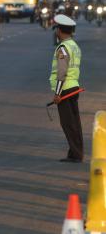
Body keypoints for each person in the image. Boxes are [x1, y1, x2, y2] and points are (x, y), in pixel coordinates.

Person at [50, 14, 83, 163]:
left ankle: (76, 154)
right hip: (73, 87)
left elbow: (61, 72)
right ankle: (75, 152)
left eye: (56, 28)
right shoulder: (74, 46)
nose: (55, 32)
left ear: (60, 30)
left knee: (68, 123)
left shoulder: (63, 48)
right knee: (74, 122)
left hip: (65, 89)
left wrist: (57, 93)